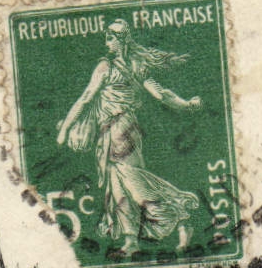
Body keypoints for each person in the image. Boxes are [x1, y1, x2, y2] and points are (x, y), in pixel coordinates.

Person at [56, 19, 202, 255]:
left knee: (134, 183)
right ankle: (131, 240)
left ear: (123, 39)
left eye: (111, 36)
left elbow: (160, 94)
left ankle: (182, 218)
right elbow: (86, 98)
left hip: (123, 130)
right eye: (107, 36)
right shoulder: (110, 66)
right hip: (108, 133)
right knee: (118, 189)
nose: (107, 41)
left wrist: (186, 105)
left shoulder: (127, 66)